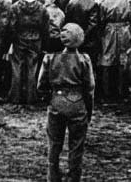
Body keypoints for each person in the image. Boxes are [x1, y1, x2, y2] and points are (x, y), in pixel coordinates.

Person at [38, 23, 94, 182]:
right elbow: (89, 87)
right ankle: (73, 177)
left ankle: (52, 176)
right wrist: (88, 110)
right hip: (77, 103)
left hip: (56, 101)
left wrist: (49, 99)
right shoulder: (84, 59)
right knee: (76, 145)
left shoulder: (50, 57)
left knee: (54, 143)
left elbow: (41, 85)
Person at [8, 0, 50, 105]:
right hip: (35, 40)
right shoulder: (42, 8)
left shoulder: (15, 7)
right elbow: (45, 29)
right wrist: (45, 44)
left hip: (19, 39)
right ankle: (31, 97)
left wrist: (12, 40)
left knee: (17, 67)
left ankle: (15, 97)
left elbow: (11, 26)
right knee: (32, 68)